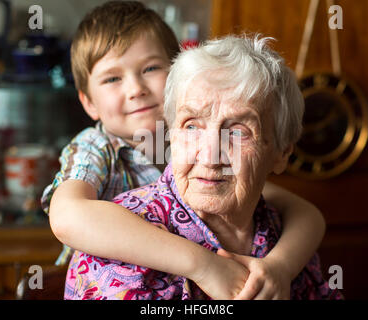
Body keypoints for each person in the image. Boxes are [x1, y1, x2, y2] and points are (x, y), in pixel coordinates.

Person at [42, 1, 327, 300]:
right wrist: (203, 265)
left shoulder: (188, 146)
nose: (136, 89)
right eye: (113, 78)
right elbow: (67, 218)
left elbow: (304, 213)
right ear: (88, 102)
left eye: (151, 68)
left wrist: (281, 266)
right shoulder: (94, 149)